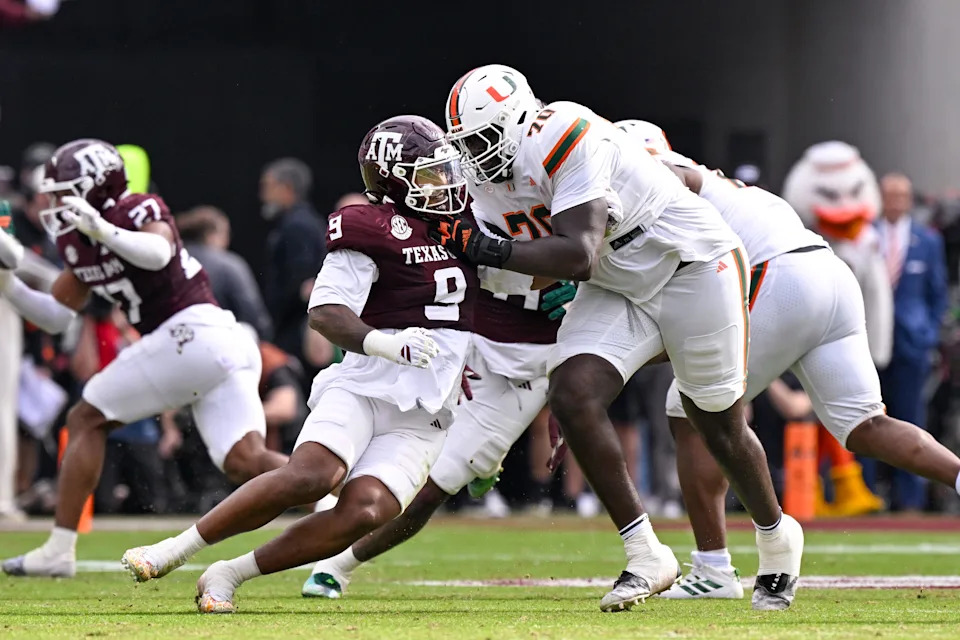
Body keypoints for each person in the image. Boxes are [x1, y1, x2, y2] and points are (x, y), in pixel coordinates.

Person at [430, 65, 802, 611]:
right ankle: (646, 554)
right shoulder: (483, 183)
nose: (474, 156)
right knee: (573, 393)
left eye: (483, 140)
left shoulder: (566, 131)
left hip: (689, 264)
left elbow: (576, 253)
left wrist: (486, 250)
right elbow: (530, 270)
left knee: (717, 423)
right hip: (616, 283)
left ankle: (776, 536)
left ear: (518, 120)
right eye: (464, 144)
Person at [120, 115, 476, 614]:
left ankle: (229, 573)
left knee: (365, 511)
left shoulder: (468, 227)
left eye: (445, 171)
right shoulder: (369, 228)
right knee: (313, 475)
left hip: (427, 407)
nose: (445, 184)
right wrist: (387, 344)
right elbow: (325, 311)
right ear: (394, 179)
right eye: (430, 174)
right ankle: (174, 549)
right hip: (366, 384)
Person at [617, 121, 960, 600]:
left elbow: (671, 186)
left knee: (689, 407)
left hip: (782, 276)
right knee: (865, 425)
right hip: (829, 276)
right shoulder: (722, 188)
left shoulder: (664, 179)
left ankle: (713, 568)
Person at [0, 139, 286, 578]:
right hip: (210, 344)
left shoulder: (135, 208)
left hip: (192, 332)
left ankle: (59, 549)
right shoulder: (80, 241)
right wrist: (7, 284)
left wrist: (101, 228)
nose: (54, 204)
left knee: (85, 417)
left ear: (93, 188)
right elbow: (56, 315)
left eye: (63, 193)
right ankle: (336, 493)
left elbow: (157, 253)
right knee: (245, 460)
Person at [301, 251, 571, 598]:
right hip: (469, 342)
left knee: (434, 488)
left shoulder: (579, 223)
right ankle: (333, 562)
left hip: (533, 368)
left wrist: (571, 388)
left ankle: (339, 565)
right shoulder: (470, 215)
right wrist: (452, 352)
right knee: (404, 469)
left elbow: (609, 294)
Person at [875, 172, 949, 510]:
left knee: (910, 417)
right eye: (889, 195)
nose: (894, 202)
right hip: (871, 340)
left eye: (900, 196)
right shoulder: (865, 235)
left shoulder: (927, 240)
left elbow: (937, 293)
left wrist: (928, 333)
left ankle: (910, 500)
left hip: (911, 341)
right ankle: (868, 495)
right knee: (867, 418)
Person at [260, 157, 326, 362]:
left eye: (268, 186)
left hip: (296, 332)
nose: (263, 194)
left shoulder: (298, 226)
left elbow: (300, 281)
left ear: (286, 187)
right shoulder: (301, 222)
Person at [176, 206, 273, 340]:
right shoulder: (230, 265)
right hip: (217, 343)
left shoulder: (171, 262)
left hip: (173, 340)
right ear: (212, 235)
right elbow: (253, 317)